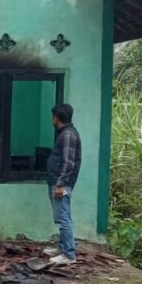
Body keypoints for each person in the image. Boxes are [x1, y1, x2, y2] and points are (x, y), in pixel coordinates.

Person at [43, 103, 81, 266]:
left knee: (63, 218)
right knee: (61, 216)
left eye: (53, 116)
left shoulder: (67, 135)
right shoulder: (65, 133)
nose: (52, 119)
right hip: (57, 180)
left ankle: (69, 254)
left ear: (56, 118)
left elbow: (68, 163)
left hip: (61, 183)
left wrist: (60, 185)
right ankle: (62, 247)